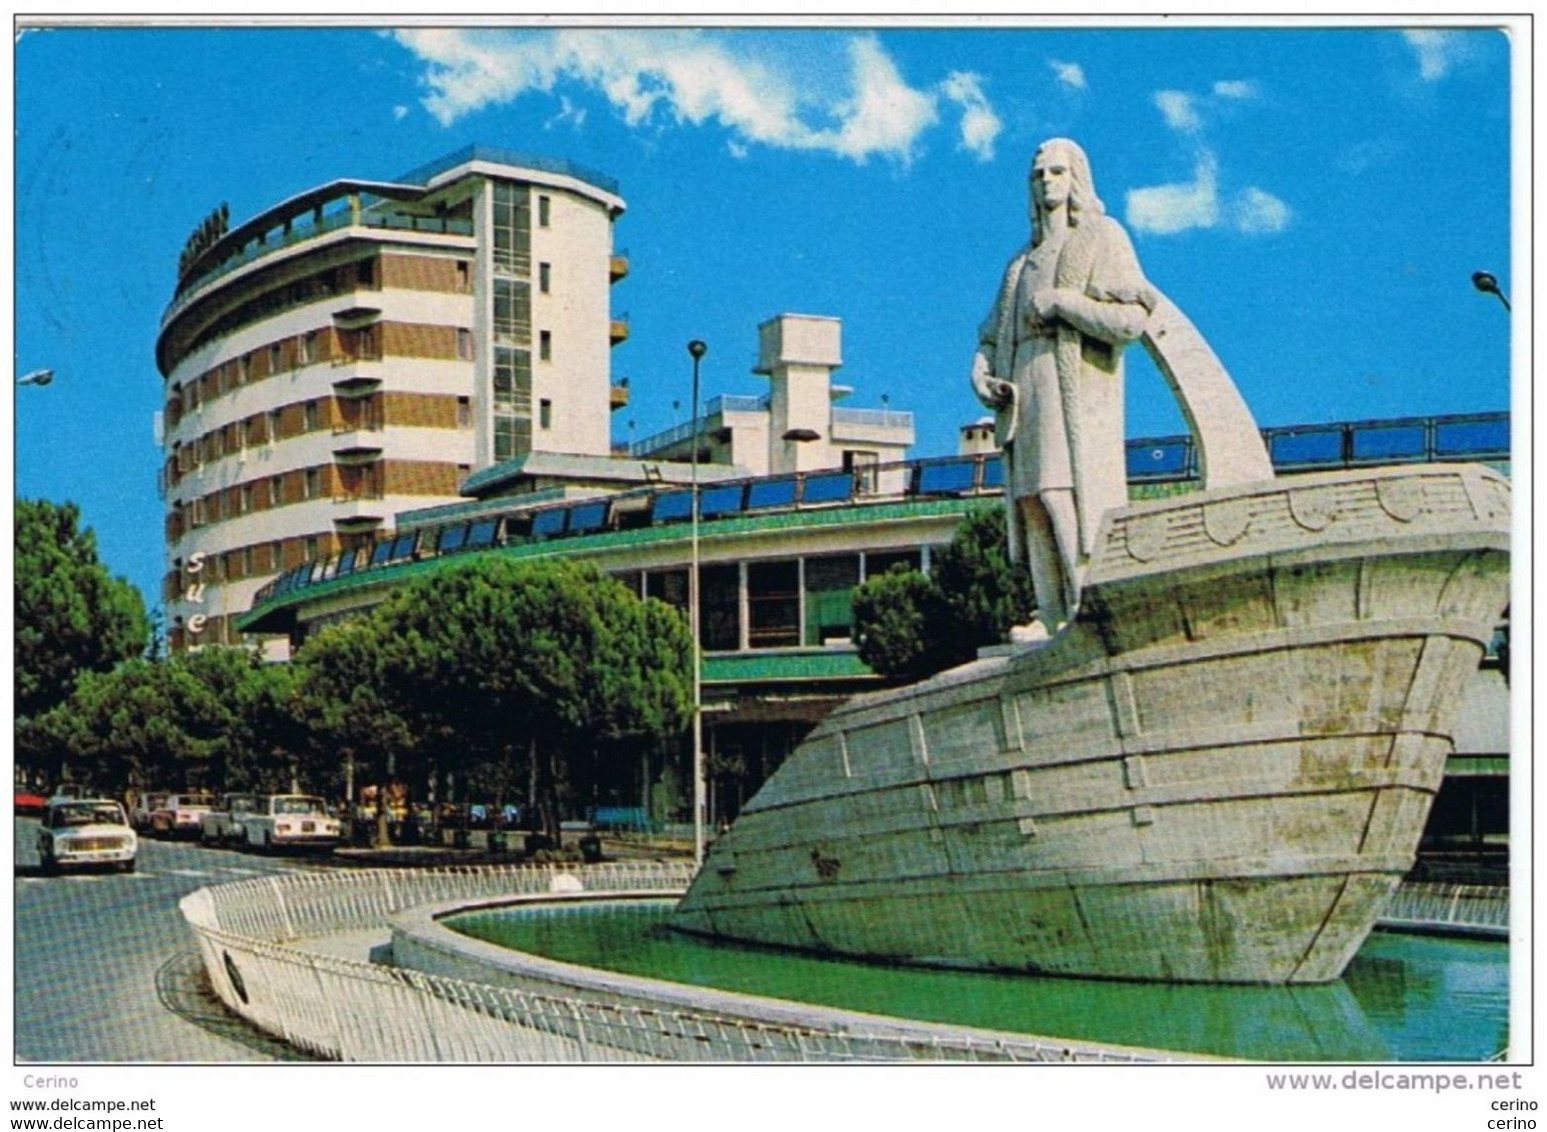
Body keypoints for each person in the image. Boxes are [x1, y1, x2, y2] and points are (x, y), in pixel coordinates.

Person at [971, 138, 1153, 635]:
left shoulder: (1102, 237)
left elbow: (1132, 320)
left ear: (1077, 179)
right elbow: (990, 335)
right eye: (1039, 174)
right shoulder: (1019, 263)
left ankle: (1082, 604)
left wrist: (1063, 304)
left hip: (1068, 379)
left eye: (1057, 172)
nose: (1047, 181)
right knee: (1029, 501)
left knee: (1059, 493)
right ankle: (1048, 611)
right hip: (1022, 384)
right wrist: (981, 373)